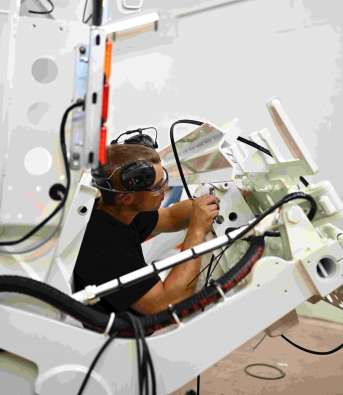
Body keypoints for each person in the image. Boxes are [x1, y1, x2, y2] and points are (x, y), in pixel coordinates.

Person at [73, 143, 219, 315]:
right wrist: (197, 230)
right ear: (126, 198)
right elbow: (167, 303)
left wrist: (207, 203)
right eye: (157, 187)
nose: (165, 189)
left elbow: (171, 217)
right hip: (126, 334)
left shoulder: (116, 210)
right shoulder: (101, 244)